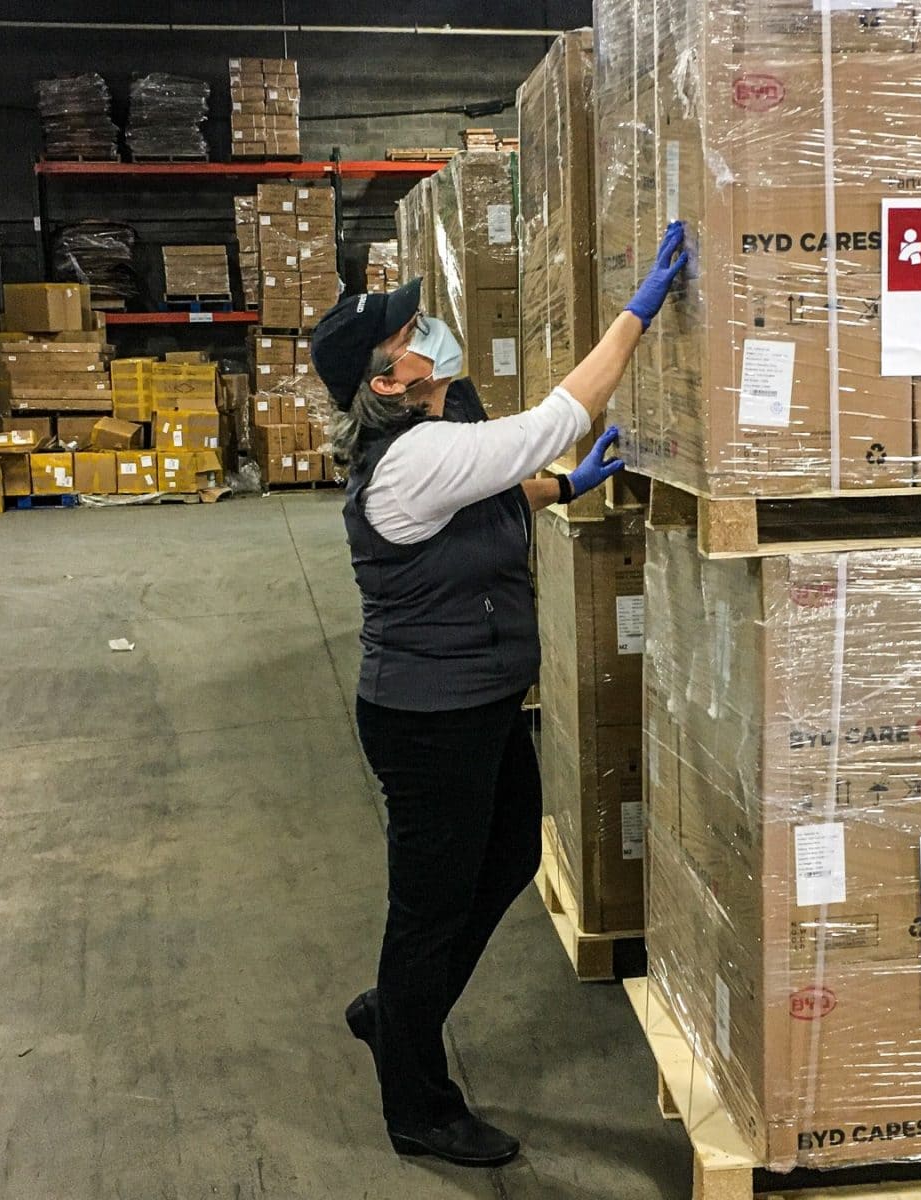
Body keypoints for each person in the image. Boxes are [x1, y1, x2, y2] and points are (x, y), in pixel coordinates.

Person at [308, 221, 688, 1168]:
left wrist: (561, 490)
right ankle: (417, 1100)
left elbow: (489, 496)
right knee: (428, 907)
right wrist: (638, 315)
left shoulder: (430, 447)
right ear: (385, 382)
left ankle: (396, 1008)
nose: (426, 332)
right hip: (428, 720)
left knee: (512, 849)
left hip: (472, 703)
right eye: (407, 337)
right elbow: (550, 420)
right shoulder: (411, 457)